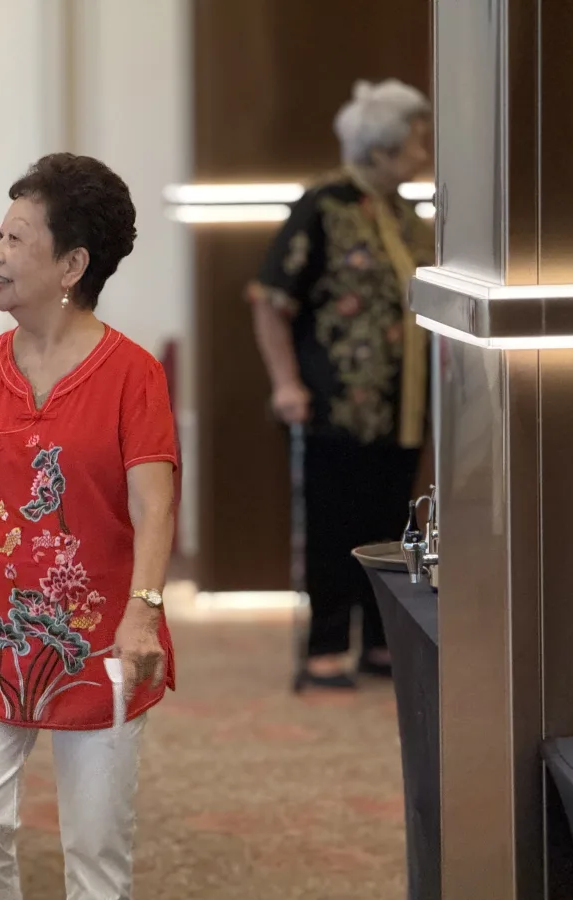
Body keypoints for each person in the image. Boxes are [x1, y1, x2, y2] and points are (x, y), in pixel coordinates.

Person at [0, 152, 178, 899]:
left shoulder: (131, 374)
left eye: (17, 239)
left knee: (96, 851)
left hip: (101, 639)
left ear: (73, 263)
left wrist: (145, 611)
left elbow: (154, 503)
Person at [247, 79, 434, 690]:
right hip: (331, 404)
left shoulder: (407, 214)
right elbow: (270, 299)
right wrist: (285, 383)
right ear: (380, 147)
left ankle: (382, 642)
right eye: (415, 138)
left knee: (392, 525)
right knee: (333, 528)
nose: (424, 150)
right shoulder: (324, 204)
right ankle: (326, 647)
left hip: (401, 407)